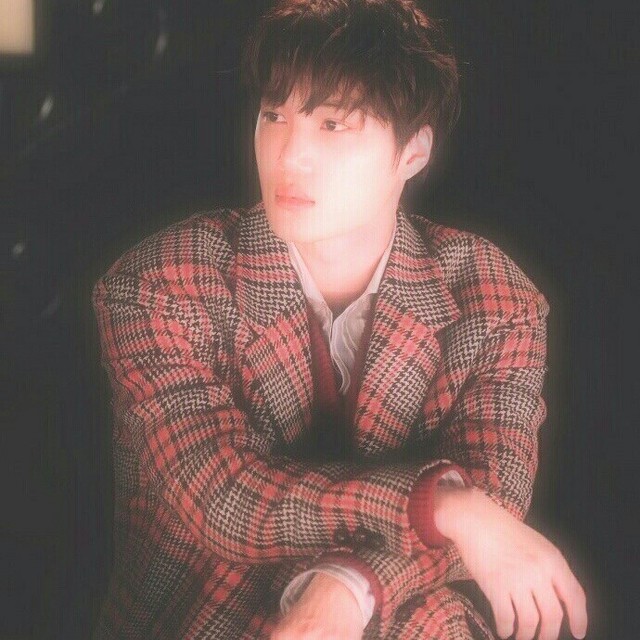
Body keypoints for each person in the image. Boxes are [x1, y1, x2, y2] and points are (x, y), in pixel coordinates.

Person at [91, 1, 588, 638]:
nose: (289, 155)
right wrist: (446, 506)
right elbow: (224, 497)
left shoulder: (497, 301)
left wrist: (353, 582)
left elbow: (498, 506)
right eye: (274, 115)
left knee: (432, 621)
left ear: (413, 152)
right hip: (203, 607)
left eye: (333, 124)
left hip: (402, 611)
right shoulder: (160, 282)